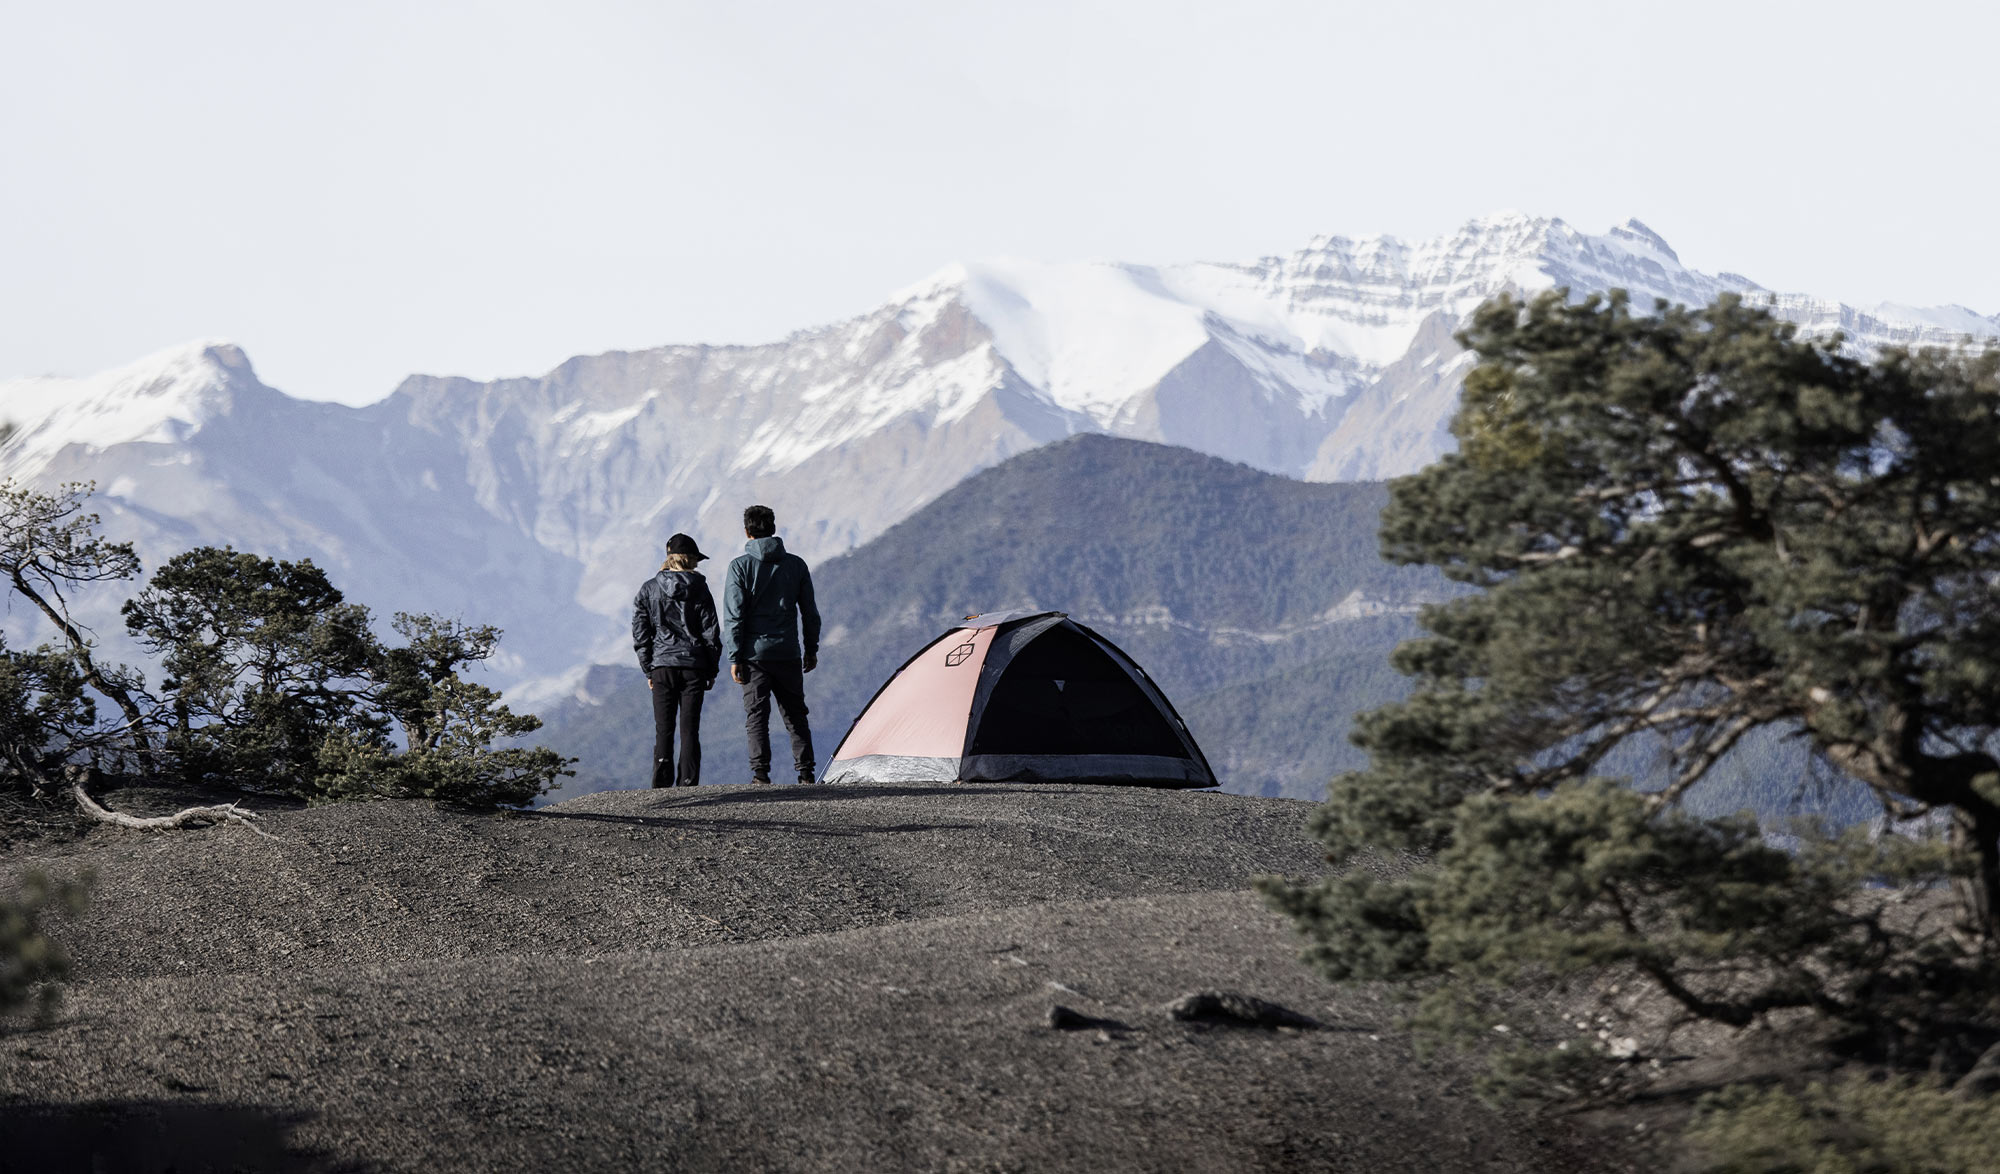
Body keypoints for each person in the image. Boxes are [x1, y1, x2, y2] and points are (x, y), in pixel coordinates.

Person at [722, 504, 820, 785]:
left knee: (756, 715)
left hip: (754, 656)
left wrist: (735, 656)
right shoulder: (796, 565)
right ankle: (805, 773)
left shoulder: (739, 567)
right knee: (795, 714)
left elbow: (734, 615)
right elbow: (809, 612)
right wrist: (811, 648)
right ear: (774, 529)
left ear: (746, 531)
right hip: (788, 651)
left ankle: (761, 774)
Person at [632, 533, 721, 788]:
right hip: (694, 667)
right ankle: (688, 780)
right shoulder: (700, 588)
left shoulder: (648, 589)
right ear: (690, 559)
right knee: (689, 729)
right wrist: (711, 667)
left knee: (664, 728)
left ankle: (661, 785)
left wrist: (649, 668)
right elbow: (710, 631)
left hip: (662, 667)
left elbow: (640, 632)